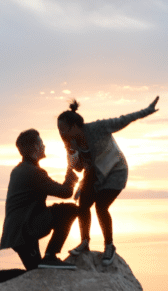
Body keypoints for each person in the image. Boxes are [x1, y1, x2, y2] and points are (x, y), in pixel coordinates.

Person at [0, 128, 80, 290]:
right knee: (70, 210)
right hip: (25, 231)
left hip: (18, 231)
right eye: (41, 142)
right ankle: (51, 255)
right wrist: (70, 171)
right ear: (35, 147)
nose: (44, 145)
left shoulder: (20, 170)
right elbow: (66, 192)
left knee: (35, 273)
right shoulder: (33, 172)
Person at [58, 96, 159, 265]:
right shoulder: (71, 142)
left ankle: (109, 246)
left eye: (63, 129)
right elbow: (78, 168)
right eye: (59, 130)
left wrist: (147, 111)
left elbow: (123, 120)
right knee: (83, 205)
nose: (61, 133)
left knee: (101, 206)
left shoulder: (98, 128)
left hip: (115, 171)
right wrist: (73, 152)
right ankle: (84, 242)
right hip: (95, 174)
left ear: (74, 126)